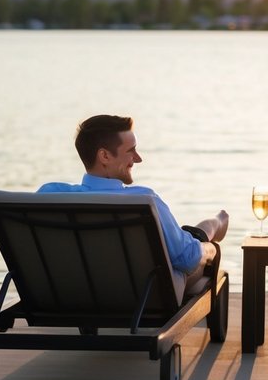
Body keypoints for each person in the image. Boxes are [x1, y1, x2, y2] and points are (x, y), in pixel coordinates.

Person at [37, 114, 228, 290]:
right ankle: (216, 224)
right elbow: (187, 260)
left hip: (69, 292)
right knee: (198, 248)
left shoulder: (48, 196)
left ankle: (211, 225)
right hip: (142, 298)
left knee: (188, 239)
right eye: (131, 151)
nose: (138, 158)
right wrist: (210, 250)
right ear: (104, 156)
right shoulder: (143, 201)